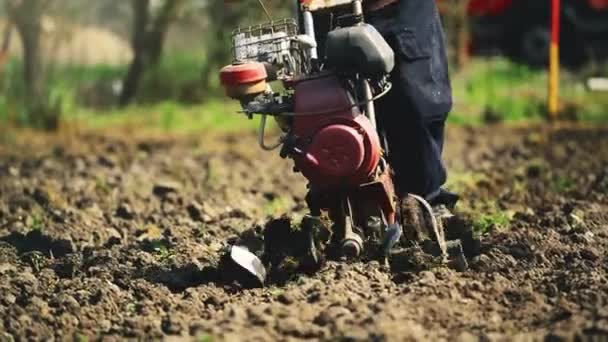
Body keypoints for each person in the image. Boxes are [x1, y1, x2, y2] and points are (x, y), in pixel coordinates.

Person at [363, 0, 460, 213]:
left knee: (417, 101)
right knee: (347, 107)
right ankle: (361, 200)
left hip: (401, 10)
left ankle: (426, 198)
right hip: (334, 14)